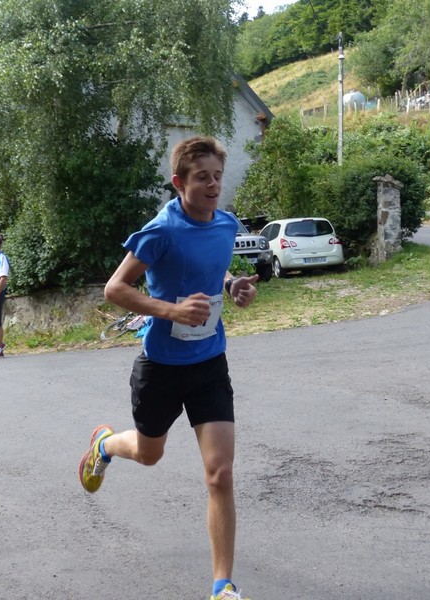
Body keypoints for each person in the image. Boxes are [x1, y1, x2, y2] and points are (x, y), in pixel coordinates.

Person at [77, 136, 258, 600]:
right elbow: (115, 288)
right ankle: (105, 445)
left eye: (217, 176)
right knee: (149, 453)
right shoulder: (161, 230)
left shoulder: (225, 225)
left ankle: (222, 585)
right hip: (161, 366)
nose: (213, 185)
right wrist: (171, 310)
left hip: (210, 362)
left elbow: (209, 269)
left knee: (220, 473)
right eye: (202, 178)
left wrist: (233, 285)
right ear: (179, 182)